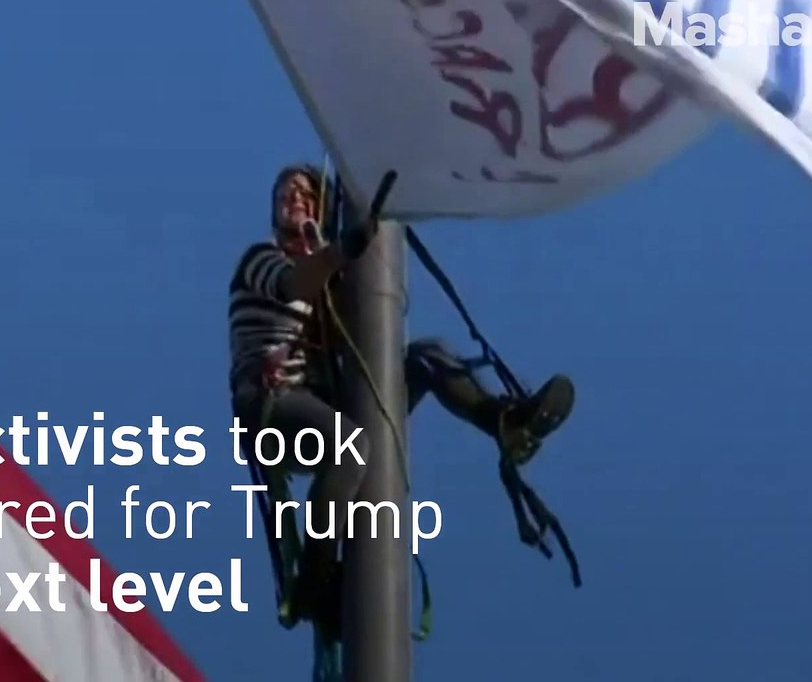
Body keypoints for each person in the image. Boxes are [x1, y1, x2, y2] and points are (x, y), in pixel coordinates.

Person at [227, 163, 575, 627]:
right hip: (270, 405)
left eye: (307, 195)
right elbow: (293, 283)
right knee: (350, 448)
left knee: (426, 356)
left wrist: (356, 264)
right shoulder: (262, 258)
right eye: (286, 194)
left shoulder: (331, 292)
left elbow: (357, 342)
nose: (294, 199)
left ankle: (505, 423)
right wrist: (340, 253)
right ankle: (314, 578)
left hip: (320, 403)